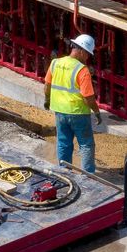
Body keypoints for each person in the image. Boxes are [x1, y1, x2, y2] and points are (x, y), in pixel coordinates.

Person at [44, 33, 102, 172]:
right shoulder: (82, 70)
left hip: (60, 112)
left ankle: (64, 171)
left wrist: (47, 100)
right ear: (81, 51)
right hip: (78, 113)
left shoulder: (55, 63)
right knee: (86, 144)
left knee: (63, 143)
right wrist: (97, 112)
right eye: (87, 54)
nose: (87, 57)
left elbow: (47, 85)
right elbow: (88, 97)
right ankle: (88, 176)